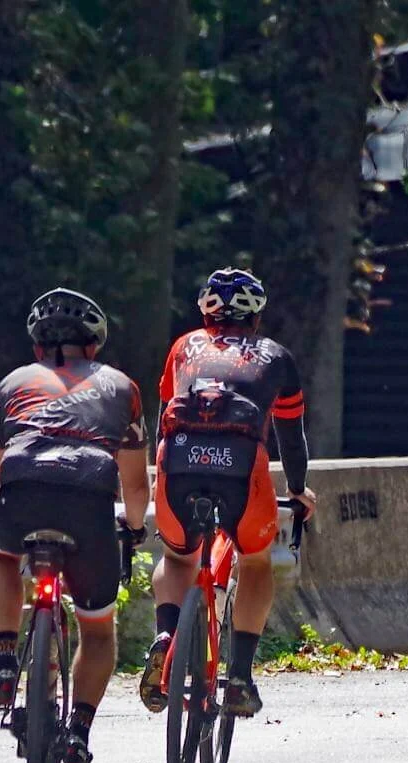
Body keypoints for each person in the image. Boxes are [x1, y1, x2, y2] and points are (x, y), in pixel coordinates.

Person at [0, 287, 150, 763]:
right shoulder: (121, 387)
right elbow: (135, 489)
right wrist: (132, 528)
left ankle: (6, 657)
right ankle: (78, 735)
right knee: (97, 631)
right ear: (93, 347)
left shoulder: (11, 384)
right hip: (88, 501)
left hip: (21, 491)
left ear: (36, 346)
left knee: (2, 554)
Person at [141, 268, 316, 718]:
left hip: (177, 463)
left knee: (178, 558)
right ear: (256, 317)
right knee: (257, 563)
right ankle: (239, 675)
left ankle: (165, 635)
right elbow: (290, 440)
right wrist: (298, 492)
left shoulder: (183, 347)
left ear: (205, 312)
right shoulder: (277, 357)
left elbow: (165, 418)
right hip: (242, 470)